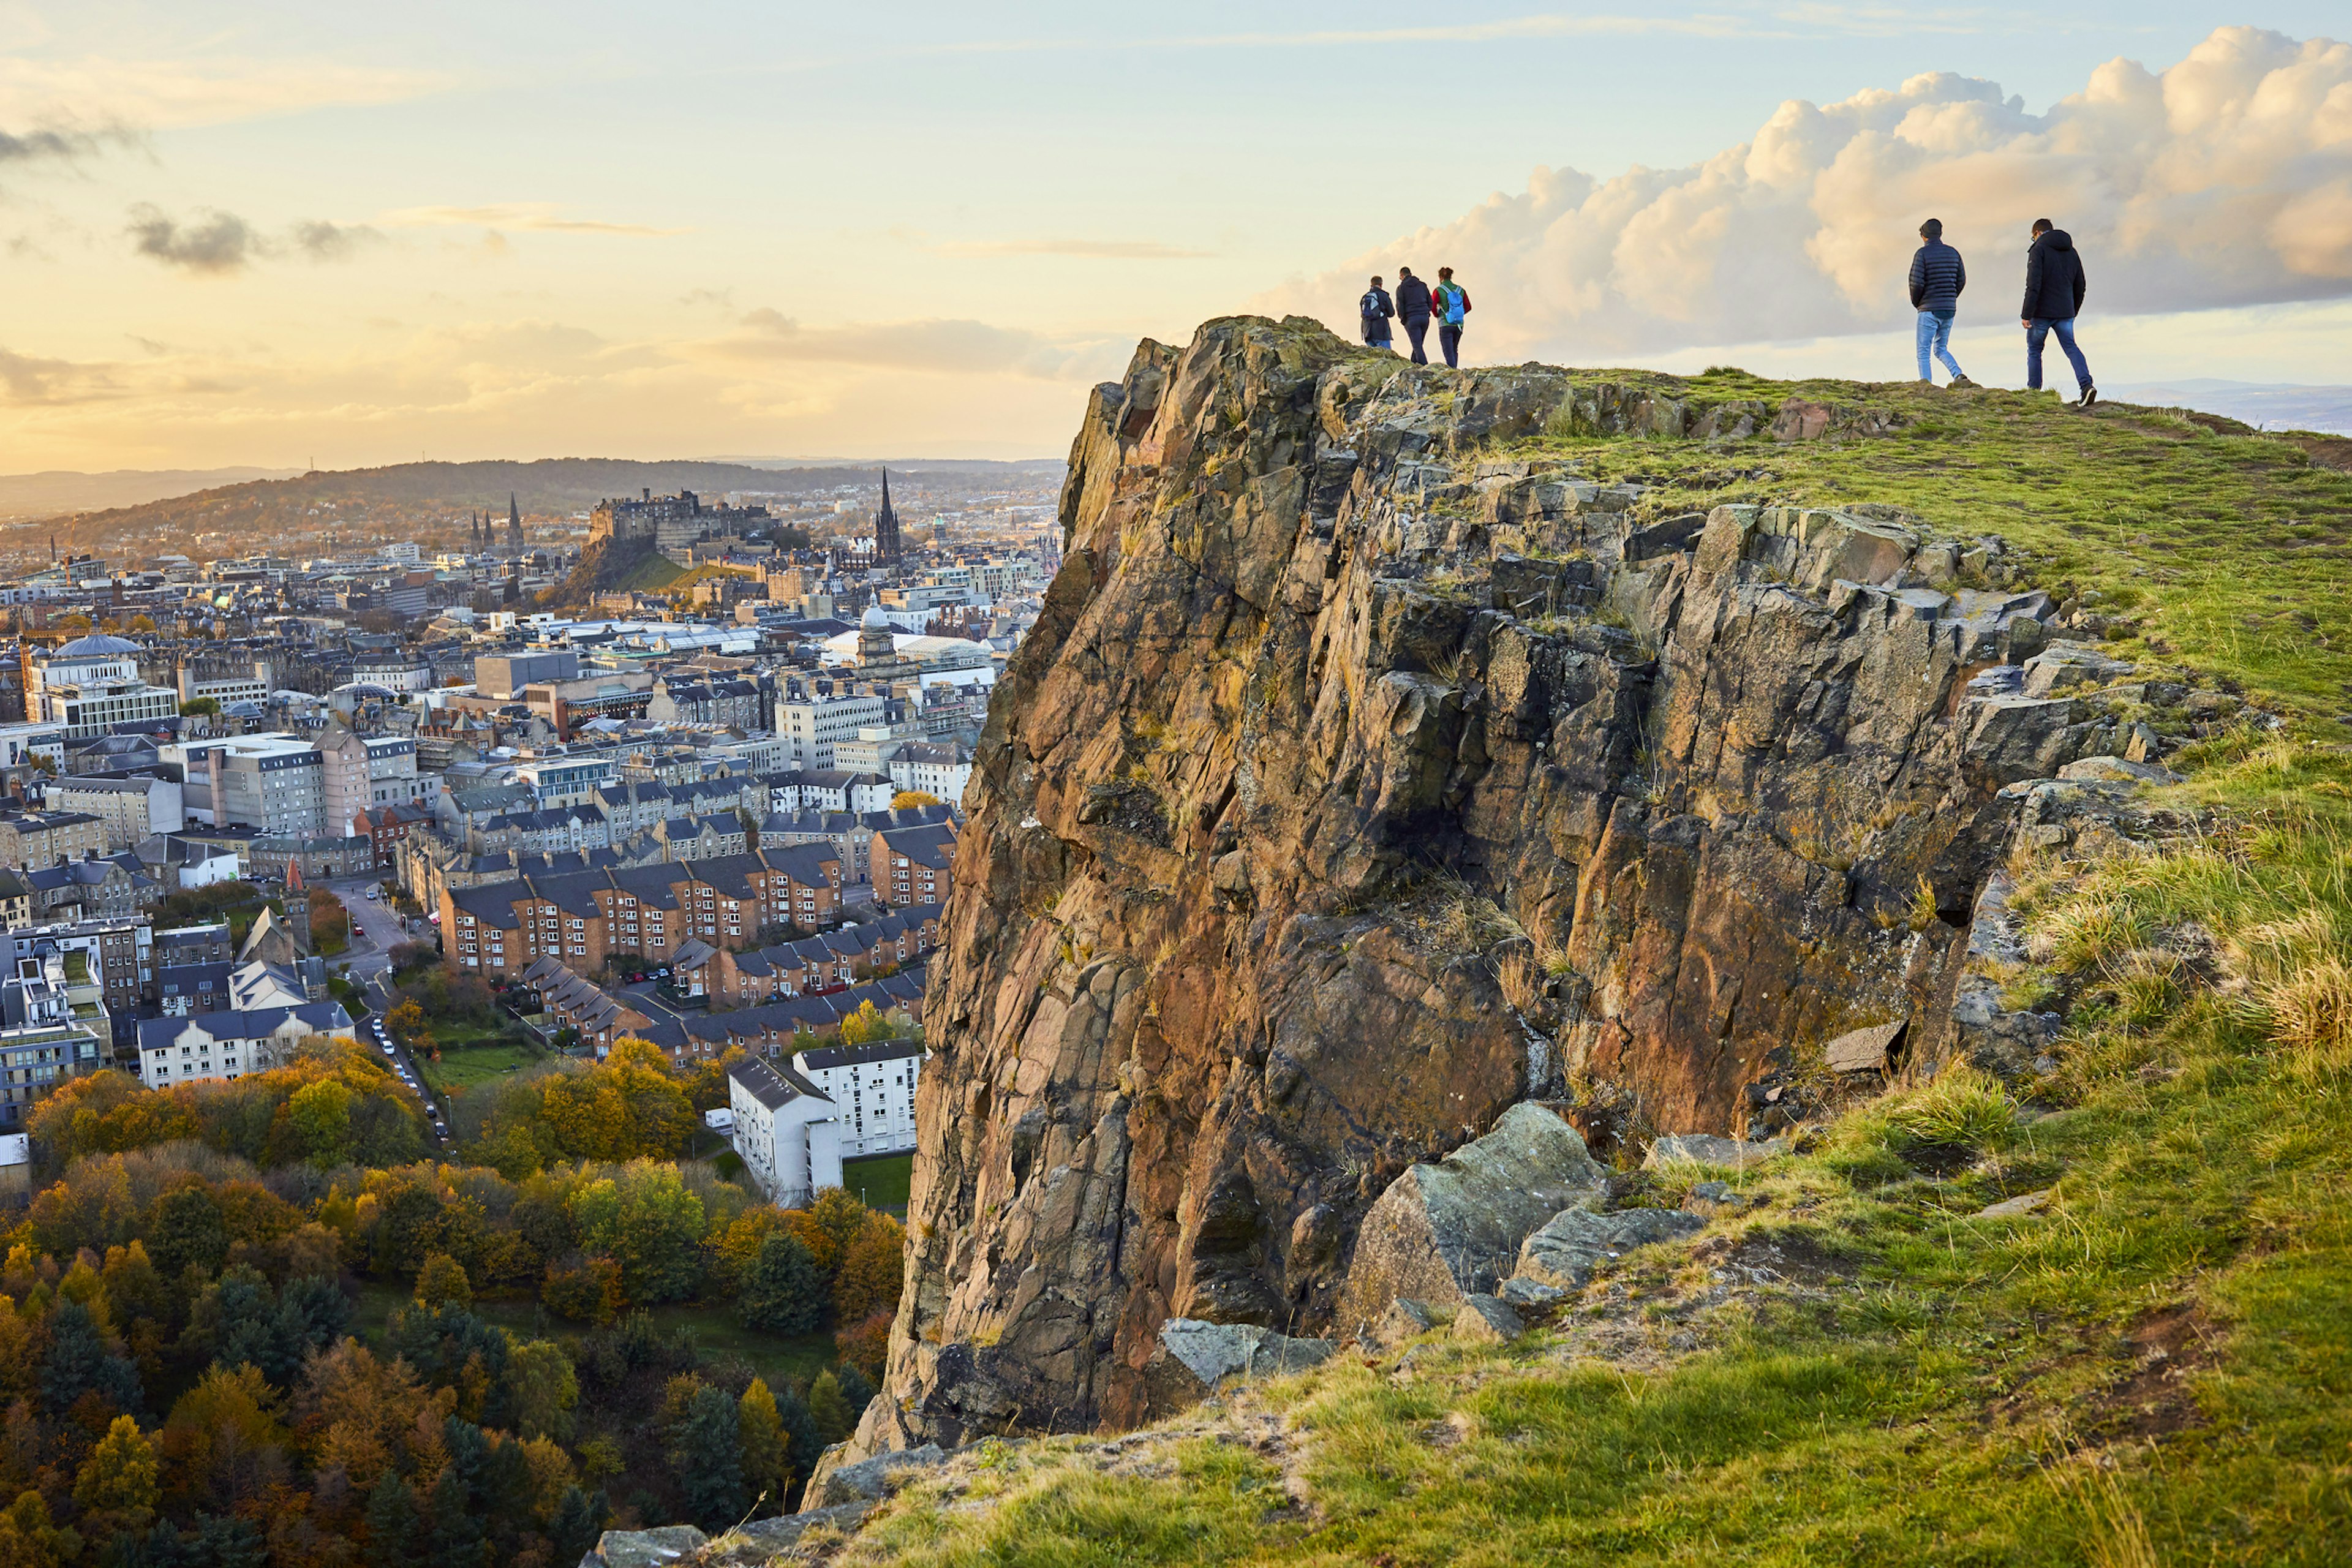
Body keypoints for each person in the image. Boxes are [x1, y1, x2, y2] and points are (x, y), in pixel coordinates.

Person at [2021, 217, 2095, 407]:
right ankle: (2087, 386)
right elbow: (2081, 285)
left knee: (2035, 350)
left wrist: (2026, 314)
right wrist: (2073, 310)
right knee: (2071, 347)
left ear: (2037, 233)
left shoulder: (2038, 250)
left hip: (2042, 312)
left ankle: (2034, 393)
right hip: (2066, 311)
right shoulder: (2072, 252)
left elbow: (2033, 285)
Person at [1907, 218, 1969, 385]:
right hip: (1949, 309)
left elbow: (1916, 283)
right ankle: (1958, 375)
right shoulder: (1953, 253)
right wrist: (1950, 298)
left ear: (1924, 236)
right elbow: (1961, 280)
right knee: (1941, 348)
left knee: (1924, 351)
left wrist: (1918, 303)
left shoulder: (1922, 254)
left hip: (1928, 309)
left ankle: (1926, 385)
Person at [1431, 266, 1472, 369]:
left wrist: (1437, 315)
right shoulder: (1460, 290)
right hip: (1459, 324)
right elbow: (1468, 307)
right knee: (1454, 349)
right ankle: (1455, 369)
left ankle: (1453, 371)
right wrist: (1458, 315)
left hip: (1445, 324)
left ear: (1440, 277)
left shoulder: (1439, 290)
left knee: (1448, 350)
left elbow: (1432, 306)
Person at [1394, 266, 1432, 365]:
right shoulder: (1423, 285)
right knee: (1418, 344)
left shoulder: (1401, 288)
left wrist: (1403, 320)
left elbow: (1400, 306)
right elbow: (1430, 301)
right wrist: (1427, 312)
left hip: (1411, 318)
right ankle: (1413, 364)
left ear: (1402, 276)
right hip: (1424, 317)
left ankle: (1426, 367)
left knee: (1417, 346)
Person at [1359, 275, 1395, 352]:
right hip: (1381, 332)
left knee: (1373, 358)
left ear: (1371, 285)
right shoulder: (1384, 296)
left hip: (1367, 332)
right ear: (1381, 284)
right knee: (1386, 357)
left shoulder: (1365, 297)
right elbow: (1392, 313)